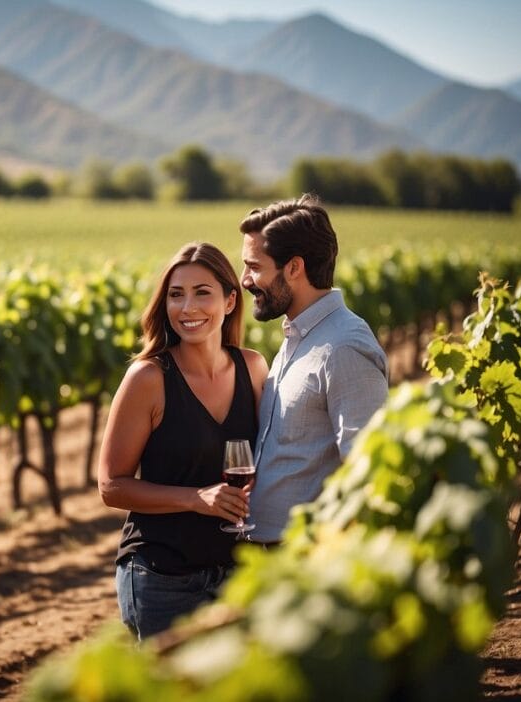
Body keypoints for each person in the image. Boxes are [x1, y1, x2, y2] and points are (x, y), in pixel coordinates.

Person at [98, 242, 269, 640]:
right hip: (162, 577)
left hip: (238, 573)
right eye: (176, 295)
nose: (187, 308)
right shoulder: (148, 379)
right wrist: (195, 498)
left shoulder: (253, 367)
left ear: (230, 301)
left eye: (201, 293)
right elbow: (111, 486)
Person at [238, 194, 388, 546]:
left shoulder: (344, 346)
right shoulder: (299, 336)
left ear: (294, 268)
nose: (244, 280)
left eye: (254, 266)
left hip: (304, 554)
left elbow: (365, 471)